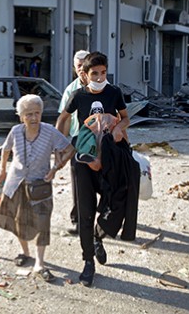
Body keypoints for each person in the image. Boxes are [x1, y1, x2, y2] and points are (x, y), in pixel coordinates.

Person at [55, 51, 134, 287]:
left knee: (118, 203)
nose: (99, 77)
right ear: (86, 75)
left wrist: (119, 126)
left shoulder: (114, 92)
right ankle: (88, 261)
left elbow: (126, 117)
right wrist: (61, 145)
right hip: (85, 159)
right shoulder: (78, 96)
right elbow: (63, 118)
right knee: (86, 212)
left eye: (103, 73)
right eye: (94, 74)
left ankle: (99, 235)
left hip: (111, 156)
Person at [0, 94, 74, 282]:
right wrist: (2, 170)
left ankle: (40, 263)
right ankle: (25, 252)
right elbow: (5, 150)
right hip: (16, 182)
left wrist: (56, 168)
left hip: (40, 185)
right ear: (21, 116)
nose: (33, 118)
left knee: (42, 222)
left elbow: (70, 149)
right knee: (17, 219)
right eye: (29, 114)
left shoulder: (49, 132)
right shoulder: (15, 131)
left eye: (37, 113)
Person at [58, 50, 90, 234]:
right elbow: (65, 119)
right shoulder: (71, 90)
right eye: (78, 66)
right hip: (79, 140)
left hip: (100, 139)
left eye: (83, 65)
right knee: (79, 182)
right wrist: (61, 146)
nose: (81, 69)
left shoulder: (104, 87)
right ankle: (79, 221)